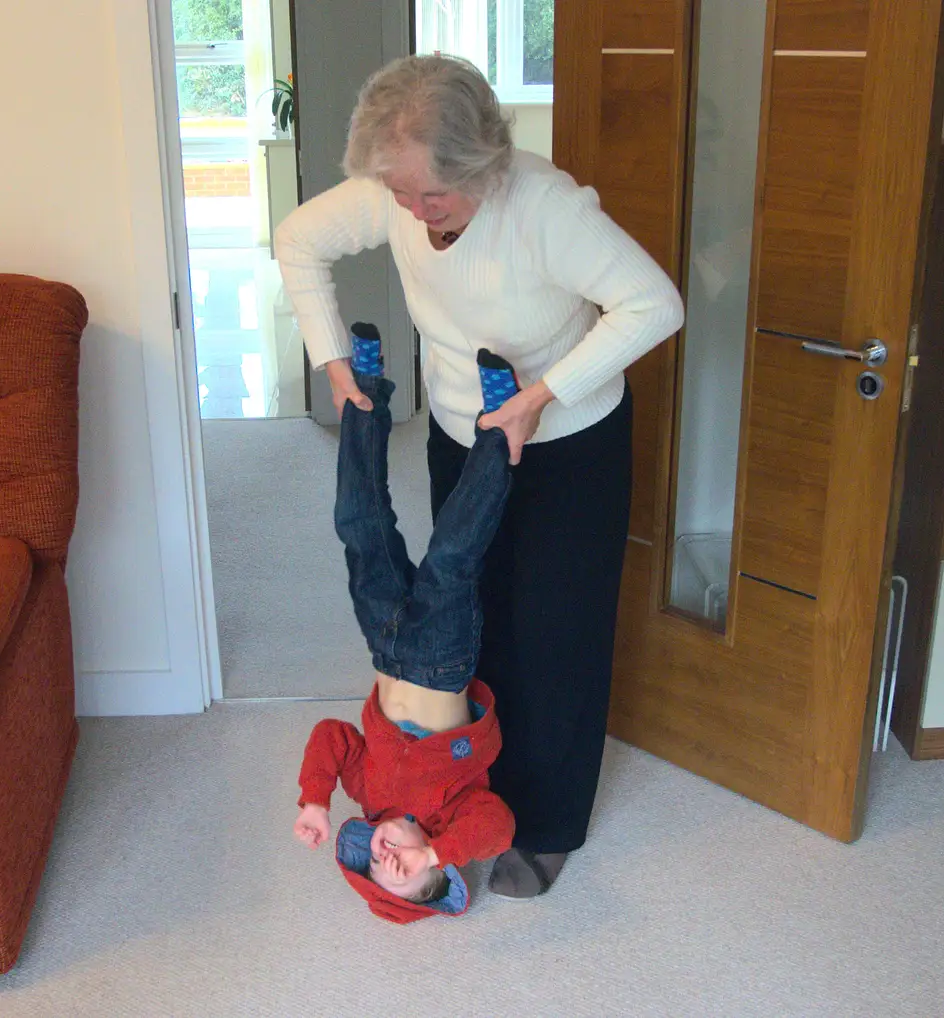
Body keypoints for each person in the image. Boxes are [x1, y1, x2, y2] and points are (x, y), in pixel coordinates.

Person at [275, 54, 684, 899]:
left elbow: (655, 305)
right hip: (463, 437)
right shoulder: (399, 196)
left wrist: (543, 394)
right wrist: (332, 356)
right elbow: (299, 240)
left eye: (432, 196)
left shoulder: (543, 208)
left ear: (482, 167)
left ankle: (548, 828)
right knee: (474, 628)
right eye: (400, 194)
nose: (415, 213)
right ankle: (470, 810)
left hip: (568, 439)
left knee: (555, 634)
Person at [293, 326, 517, 923]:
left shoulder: (369, 795)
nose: (389, 863)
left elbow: (331, 736)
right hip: (441, 660)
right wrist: (438, 849)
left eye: (375, 869)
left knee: (357, 522)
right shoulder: (457, 814)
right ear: (441, 867)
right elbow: (499, 828)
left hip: (383, 642)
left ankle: (366, 390)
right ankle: (501, 424)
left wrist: (316, 799)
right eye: (410, 875)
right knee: (452, 553)